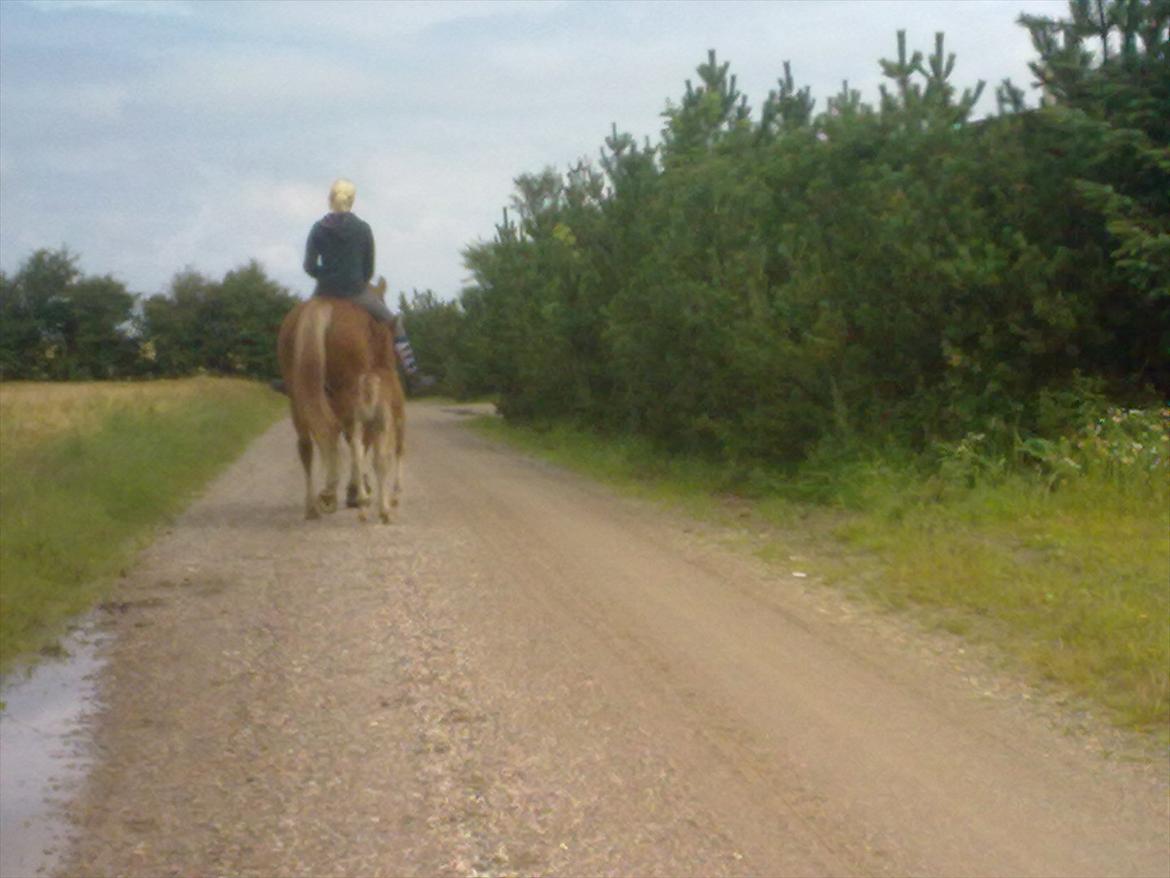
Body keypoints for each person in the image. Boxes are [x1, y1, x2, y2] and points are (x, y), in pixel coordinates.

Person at [303, 178, 433, 388]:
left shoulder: (318, 229)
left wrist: (326, 276)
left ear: (330, 199)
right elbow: (369, 268)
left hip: (324, 292)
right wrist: (355, 280)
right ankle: (413, 374)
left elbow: (309, 267)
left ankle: (291, 376)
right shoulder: (363, 229)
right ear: (352, 201)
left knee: (302, 326)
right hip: (356, 291)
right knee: (395, 323)